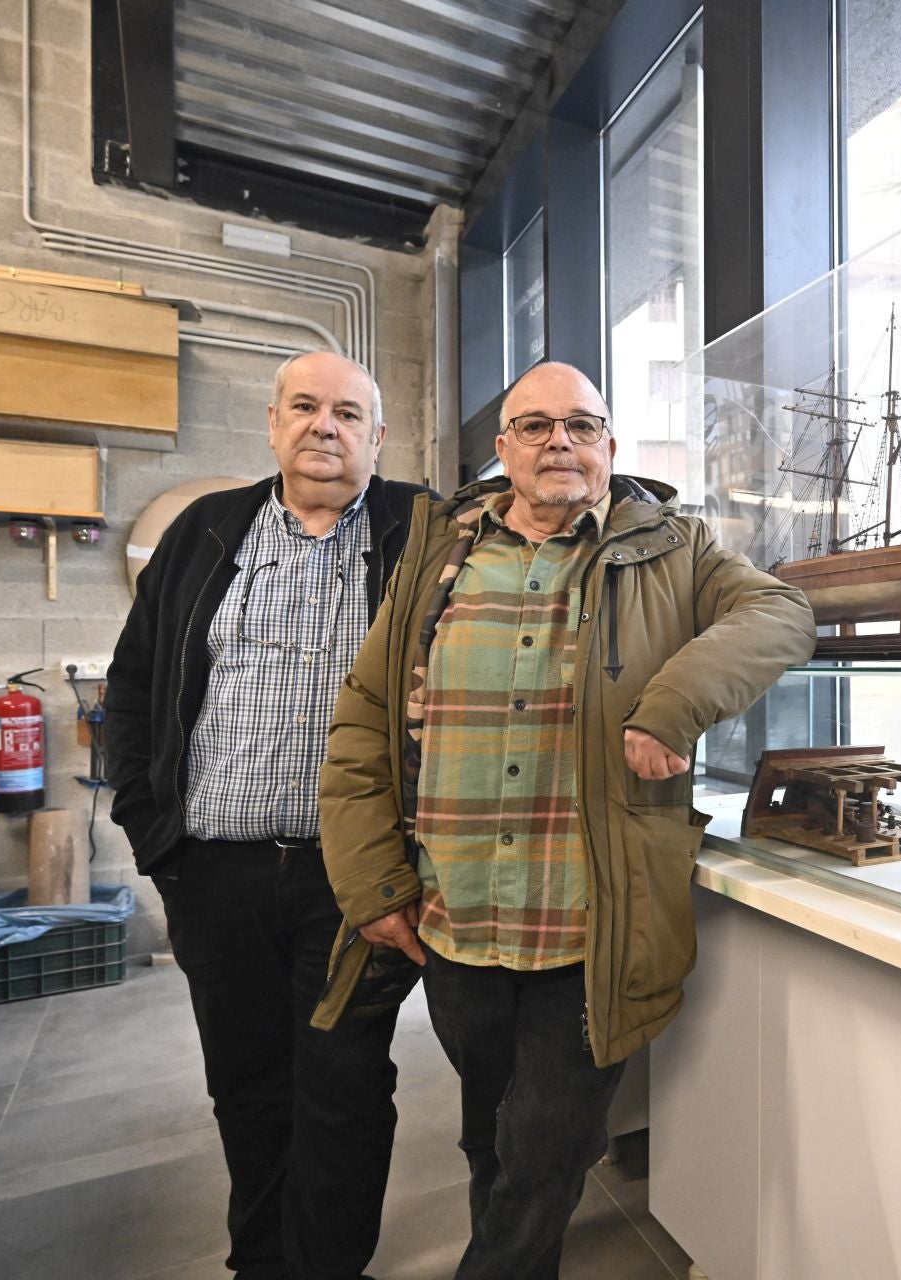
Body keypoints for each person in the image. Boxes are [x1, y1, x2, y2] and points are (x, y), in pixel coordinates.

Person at [313, 361, 815, 1276]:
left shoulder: (675, 546)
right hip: (454, 917)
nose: (560, 443)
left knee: (546, 1146)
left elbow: (780, 611)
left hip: (590, 922)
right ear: (502, 449)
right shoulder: (438, 556)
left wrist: (674, 706)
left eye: (582, 426)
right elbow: (363, 722)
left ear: (611, 448)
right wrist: (373, 883)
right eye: (536, 426)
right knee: (493, 1137)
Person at [106, 351, 431, 1280]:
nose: (323, 426)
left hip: (356, 879)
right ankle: (261, 1262)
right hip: (215, 871)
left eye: (347, 413)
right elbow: (133, 685)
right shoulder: (207, 528)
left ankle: (328, 1267)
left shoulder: (421, 533)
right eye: (305, 407)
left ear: (378, 437)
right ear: (272, 423)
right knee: (247, 1087)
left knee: (344, 1086)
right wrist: (153, 836)